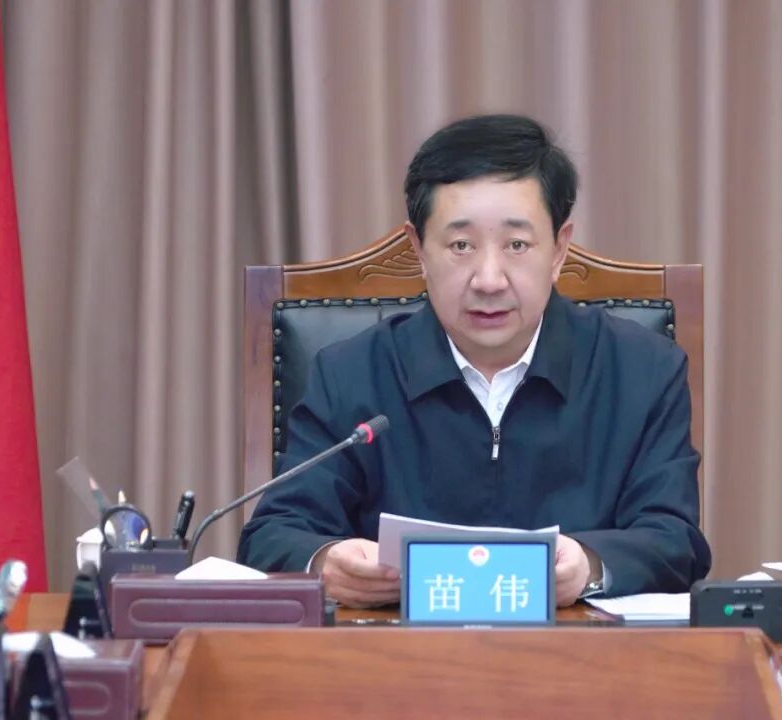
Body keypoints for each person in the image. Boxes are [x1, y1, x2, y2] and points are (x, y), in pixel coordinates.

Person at [237, 114, 711, 607]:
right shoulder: (350, 374)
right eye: (461, 246)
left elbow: (676, 541)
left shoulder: (642, 371)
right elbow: (272, 535)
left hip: (579, 650)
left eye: (517, 245)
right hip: (395, 650)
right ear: (419, 250)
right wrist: (326, 561)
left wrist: (591, 564)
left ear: (559, 250)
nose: (489, 280)